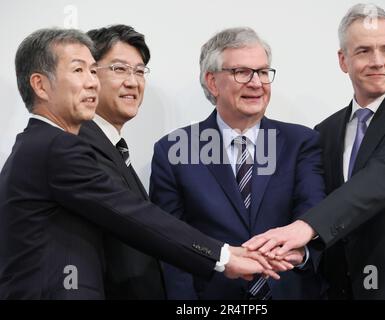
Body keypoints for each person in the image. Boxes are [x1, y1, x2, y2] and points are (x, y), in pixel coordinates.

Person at [0, 28, 285, 299]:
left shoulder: (43, 145)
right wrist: (223, 256)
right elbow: (133, 216)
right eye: (78, 70)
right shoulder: (56, 146)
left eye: (91, 70)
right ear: (40, 85)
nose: (91, 82)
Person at [244, 4, 385, 299]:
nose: (378, 61)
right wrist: (300, 250)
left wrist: (307, 227)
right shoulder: (324, 132)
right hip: (341, 289)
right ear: (343, 60)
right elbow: (320, 199)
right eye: (364, 51)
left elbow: (380, 178)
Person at [149, 27, 326, 300]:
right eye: (242, 72)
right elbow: (170, 244)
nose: (257, 83)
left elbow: (314, 214)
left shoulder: (301, 141)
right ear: (212, 82)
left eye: (263, 72)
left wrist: (300, 254)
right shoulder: (173, 150)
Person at [77, 25, 165, 299]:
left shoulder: (113, 147)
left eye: (139, 71)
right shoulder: (78, 147)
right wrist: (221, 256)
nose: (133, 81)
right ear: (90, 75)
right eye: (119, 69)